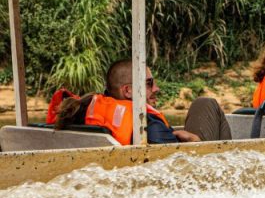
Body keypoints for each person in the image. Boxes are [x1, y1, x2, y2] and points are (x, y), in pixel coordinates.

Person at [57, 60, 232, 145]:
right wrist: (197, 141)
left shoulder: (82, 111)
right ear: (128, 90)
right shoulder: (148, 127)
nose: (156, 88)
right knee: (205, 104)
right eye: (149, 83)